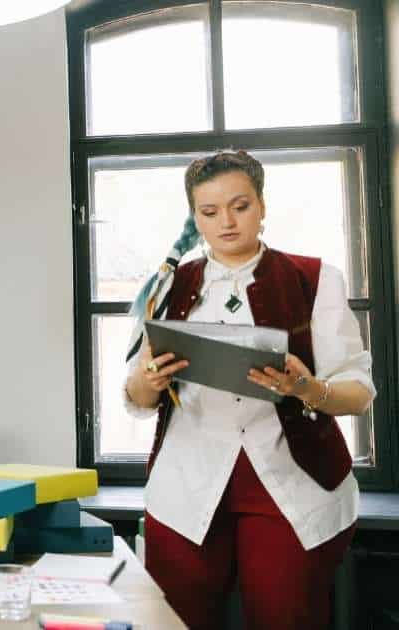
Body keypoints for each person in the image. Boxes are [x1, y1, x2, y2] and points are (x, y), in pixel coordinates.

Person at [123, 150, 373, 630]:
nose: (227, 222)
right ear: (195, 217)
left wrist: (308, 388)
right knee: (176, 622)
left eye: (240, 206)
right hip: (186, 485)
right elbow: (136, 396)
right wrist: (148, 381)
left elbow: (359, 392)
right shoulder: (168, 285)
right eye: (209, 212)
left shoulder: (315, 279)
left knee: (286, 618)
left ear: (262, 205)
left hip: (292, 483)